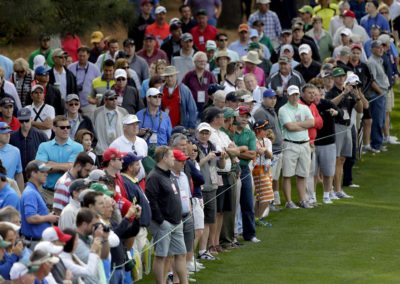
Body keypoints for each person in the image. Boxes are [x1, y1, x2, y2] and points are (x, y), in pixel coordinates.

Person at [145, 146, 188, 284]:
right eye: (171, 156)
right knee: (161, 256)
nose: (174, 159)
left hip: (176, 221)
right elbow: (152, 201)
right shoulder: (154, 176)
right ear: (163, 158)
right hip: (163, 223)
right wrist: (161, 221)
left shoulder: (170, 174)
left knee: (181, 254)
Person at [325, 68, 363, 198]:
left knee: (342, 159)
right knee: (335, 159)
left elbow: (360, 109)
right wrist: (343, 94)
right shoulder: (331, 92)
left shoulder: (351, 91)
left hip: (347, 126)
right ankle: (331, 189)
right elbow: (329, 104)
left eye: (342, 76)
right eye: (338, 76)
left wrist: (358, 98)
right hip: (336, 126)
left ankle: (338, 189)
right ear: (334, 78)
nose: (341, 78)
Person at [278, 85, 315, 209]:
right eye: (292, 94)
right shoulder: (283, 109)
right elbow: (290, 127)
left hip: (304, 144)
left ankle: (302, 200)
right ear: (288, 95)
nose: (295, 97)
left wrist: (297, 125)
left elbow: (312, 122)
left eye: (296, 94)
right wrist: (303, 125)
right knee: (287, 175)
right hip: (290, 144)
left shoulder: (304, 108)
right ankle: (289, 202)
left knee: (302, 174)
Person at [35, 115, 84, 194]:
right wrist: (66, 167)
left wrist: (51, 164)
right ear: (54, 128)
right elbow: (40, 168)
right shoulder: (44, 146)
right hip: (48, 192)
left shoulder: (78, 147)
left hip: (71, 193)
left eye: (68, 127)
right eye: (62, 127)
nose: (66, 130)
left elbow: (74, 168)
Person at [253, 89, 283, 206]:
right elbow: (261, 132)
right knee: (267, 179)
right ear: (264, 99)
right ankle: (266, 204)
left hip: (277, 148)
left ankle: (273, 201)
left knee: (274, 177)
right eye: (270, 98)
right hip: (269, 151)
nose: (273, 100)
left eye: (274, 98)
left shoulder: (272, 111)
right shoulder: (261, 112)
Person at [20, 161, 58, 246]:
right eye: (42, 172)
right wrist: (48, 218)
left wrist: (49, 216)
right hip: (34, 242)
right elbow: (31, 218)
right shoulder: (30, 193)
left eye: (46, 172)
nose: (46, 174)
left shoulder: (33, 190)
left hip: (37, 241)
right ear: (33, 173)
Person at [120, 153, 151, 252]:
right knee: (137, 261)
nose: (140, 167)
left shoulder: (132, 181)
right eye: (137, 164)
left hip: (140, 228)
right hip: (136, 229)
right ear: (129, 167)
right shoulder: (126, 183)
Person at [10, 108, 48, 180]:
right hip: (18, 175)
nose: (24, 124)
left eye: (26, 120)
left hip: (36, 175)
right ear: (18, 120)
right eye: (21, 121)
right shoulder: (12, 137)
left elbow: (48, 155)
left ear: (31, 119)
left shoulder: (41, 135)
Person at [74, 207, 109, 284]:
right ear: (84, 224)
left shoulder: (89, 239)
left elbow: (103, 256)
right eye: (95, 225)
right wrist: (97, 238)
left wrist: (105, 239)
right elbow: (91, 259)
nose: (96, 228)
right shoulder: (76, 242)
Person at [367, 40, 390, 153]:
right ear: (372, 49)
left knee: (381, 119)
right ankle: (376, 144)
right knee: (377, 120)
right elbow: (372, 81)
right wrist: (380, 92)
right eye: (377, 47)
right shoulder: (371, 62)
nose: (381, 49)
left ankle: (378, 142)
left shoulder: (379, 60)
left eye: (382, 47)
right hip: (376, 95)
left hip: (382, 93)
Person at [110, 114, 148, 182]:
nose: (135, 127)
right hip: (124, 182)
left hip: (141, 181)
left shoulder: (143, 142)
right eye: (132, 124)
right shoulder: (115, 144)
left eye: (136, 124)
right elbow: (111, 166)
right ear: (124, 127)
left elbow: (145, 162)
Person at [67, 46, 101, 119]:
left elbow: (99, 86)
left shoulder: (95, 68)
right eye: (80, 56)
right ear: (77, 55)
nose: (82, 58)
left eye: (84, 56)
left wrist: (96, 100)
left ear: (88, 56)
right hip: (73, 104)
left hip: (89, 104)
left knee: (90, 126)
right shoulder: (70, 68)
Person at [93, 90, 129, 157]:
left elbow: (128, 129)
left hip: (120, 150)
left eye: (116, 98)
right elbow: (92, 129)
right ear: (105, 100)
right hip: (101, 150)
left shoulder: (123, 112)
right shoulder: (96, 112)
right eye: (111, 99)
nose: (114, 100)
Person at [182, 51, 217, 116]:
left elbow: (215, 89)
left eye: (204, 61)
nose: (202, 62)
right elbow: (182, 89)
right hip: (192, 107)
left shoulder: (210, 75)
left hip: (207, 107)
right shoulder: (189, 75)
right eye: (200, 61)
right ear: (194, 62)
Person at [0, 122, 24, 191]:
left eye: (9, 132)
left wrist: (21, 195)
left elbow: (19, 174)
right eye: (4, 133)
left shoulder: (15, 151)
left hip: (10, 193)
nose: (8, 135)